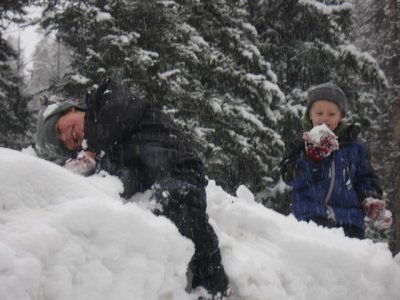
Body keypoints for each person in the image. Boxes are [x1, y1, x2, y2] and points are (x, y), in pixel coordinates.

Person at [36, 78, 230, 298]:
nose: (67, 138)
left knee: (175, 200)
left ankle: (214, 288)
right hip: (155, 180)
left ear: (69, 110)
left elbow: (119, 111)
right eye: (63, 144)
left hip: (179, 165)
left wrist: (91, 151)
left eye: (59, 129)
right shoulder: (100, 156)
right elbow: (121, 182)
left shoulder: (103, 96)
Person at [280, 82, 392, 239]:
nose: (325, 118)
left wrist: (370, 198)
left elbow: (366, 178)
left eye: (331, 114)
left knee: (349, 262)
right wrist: (310, 159)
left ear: (341, 116)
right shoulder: (300, 143)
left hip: (350, 221)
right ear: (310, 115)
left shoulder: (355, 146)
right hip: (310, 215)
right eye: (319, 113)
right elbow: (292, 179)